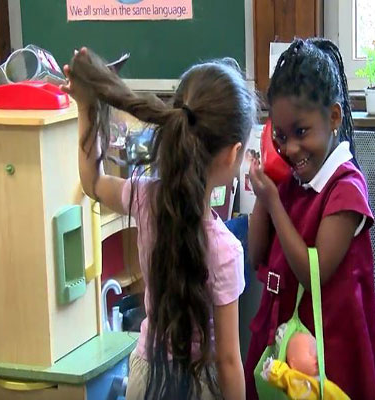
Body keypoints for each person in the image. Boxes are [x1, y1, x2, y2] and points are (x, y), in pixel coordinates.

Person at [61, 47, 257, 400]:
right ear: (233, 155)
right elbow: (228, 360)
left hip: (145, 377)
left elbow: (92, 181)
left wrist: (86, 108)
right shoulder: (227, 250)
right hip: (200, 384)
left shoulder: (145, 198)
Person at [244, 38, 375, 400]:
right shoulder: (292, 181)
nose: (289, 148)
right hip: (282, 338)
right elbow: (256, 254)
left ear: (334, 118)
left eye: (301, 132)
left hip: (330, 350)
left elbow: (314, 273)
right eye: (279, 135)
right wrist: (267, 192)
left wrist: (274, 204)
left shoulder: (346, 188)